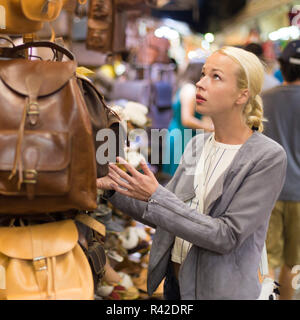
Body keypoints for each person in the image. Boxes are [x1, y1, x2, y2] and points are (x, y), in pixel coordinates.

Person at [96, 46, 287, 300]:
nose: (200, 83)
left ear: (242, 95)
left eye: (215, 77)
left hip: (220, 292)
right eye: (203, 74)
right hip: (176, 285)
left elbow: (227, 235)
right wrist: (113, 188)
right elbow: (165, 213)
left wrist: (156, 196)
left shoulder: (267, 157)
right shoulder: (197, 144)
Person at [262, 40, 300, 300]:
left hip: (267, 192)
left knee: (267, 262)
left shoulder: (263, 99)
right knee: (293, 262)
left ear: (282, 66)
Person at [162, 61, 214, 176]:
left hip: (182, 134)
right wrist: (209, 127)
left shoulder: (188, 87)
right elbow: (187, 119)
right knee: (180, 176)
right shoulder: (189, 89)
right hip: (182, 136)